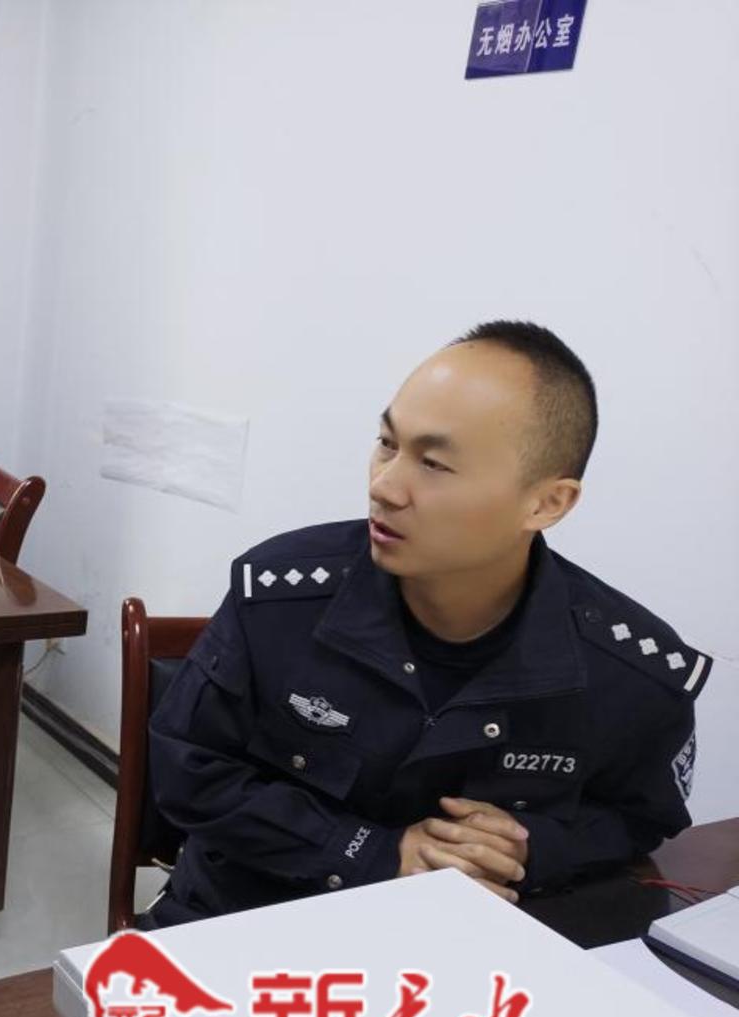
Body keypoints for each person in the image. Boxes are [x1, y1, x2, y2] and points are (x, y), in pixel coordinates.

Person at [144, 321, 708, 926]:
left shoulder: (630, 673)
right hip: (245, 919)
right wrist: (375, 853)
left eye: (434, 464)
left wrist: (529, 846)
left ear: (547, 503)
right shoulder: (281, 600)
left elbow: (640, 818)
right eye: (388, 444)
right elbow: (186, 768)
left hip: (467, 943)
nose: (385, 487)